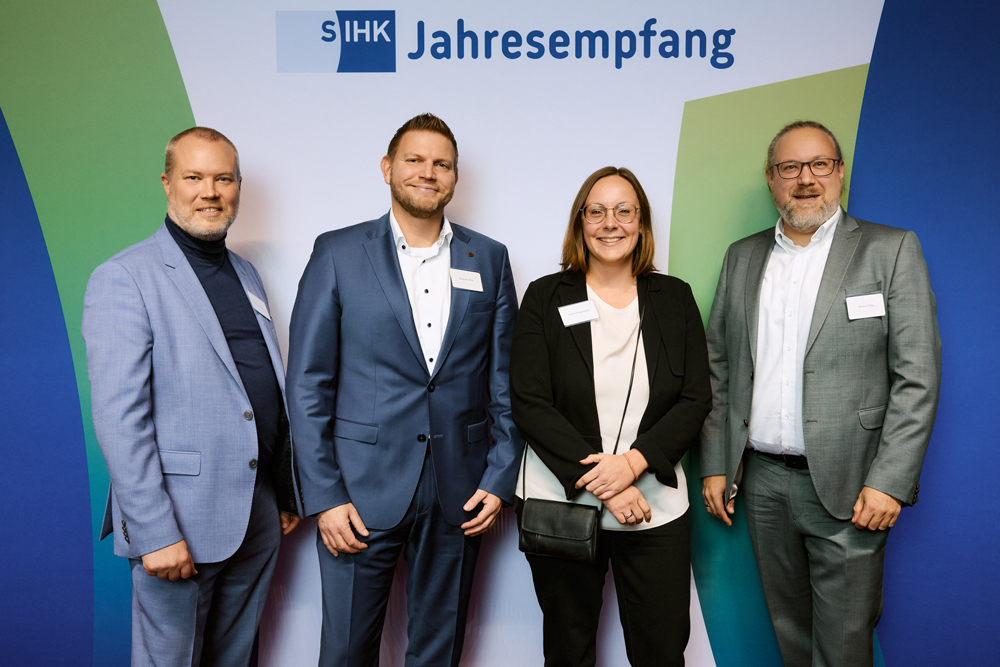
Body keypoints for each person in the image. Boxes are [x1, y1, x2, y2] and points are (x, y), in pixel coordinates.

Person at [700, 120, 942, 666]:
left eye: (819, 165)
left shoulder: (890, 250)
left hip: (853, 486)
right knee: (790, 638)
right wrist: (716, 461)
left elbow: (918, 376)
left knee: (843, 648)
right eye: (790, 167)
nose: (806, 179)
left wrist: (889, 481)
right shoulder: (743, 257)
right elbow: (721, 366)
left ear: (839, 173)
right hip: (763, 485)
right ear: (771, 179)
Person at [286, 113, 524, 667]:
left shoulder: (489, 258)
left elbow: (505, 381)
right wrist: (325, 495)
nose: (427, 172)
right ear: (387, 168)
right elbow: (308, 383)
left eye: (441, 164)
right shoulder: (338, 252)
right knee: (346, 653)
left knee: (438, 654)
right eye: (414, 160)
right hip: (357, 492)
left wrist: (498, 478)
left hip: (459, 491)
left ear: (455, 177)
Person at [82, 126, 301, 667]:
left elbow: (259, 384)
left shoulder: (246, 273)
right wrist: (154, 532)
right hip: (178, 522)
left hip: (255, 514)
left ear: (238, 186)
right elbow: (120, 418)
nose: (210, 192)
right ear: (167, 183)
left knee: (235, 658)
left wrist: (281, 492)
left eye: (223, 179)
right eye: (194, 177)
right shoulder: (124, 277)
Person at [510, 166, 712, 666]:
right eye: (596, 211)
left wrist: (633, 465)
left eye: (624, 211)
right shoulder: (544, 296)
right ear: (580, 221)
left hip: (655, 504)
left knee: (661, 652)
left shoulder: (675, 298)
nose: (610, 223)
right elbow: (530, 402)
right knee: (568, 650)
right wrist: (610, 484)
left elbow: (695, 398)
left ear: (641, 223)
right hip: (562, 502)